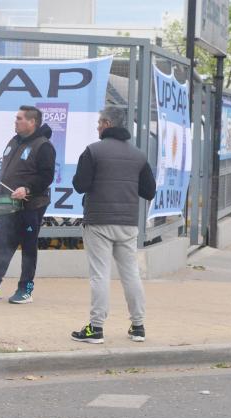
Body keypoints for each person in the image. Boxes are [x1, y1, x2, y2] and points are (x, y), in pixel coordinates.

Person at [70, 106, 156, 344]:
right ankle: (138, 326)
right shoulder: (138, 155)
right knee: (131, 274)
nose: (97, 127)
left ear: (107, 124)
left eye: (99, 122)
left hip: (98, 221)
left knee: (99, 275)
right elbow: (149, 191)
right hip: (128, 223)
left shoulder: (93, 151)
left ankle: (96, 328)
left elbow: (80, 184)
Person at [0, 106, 56, 304]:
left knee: (28, 247)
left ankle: (26, 289)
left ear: (32, 122)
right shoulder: (14, 141)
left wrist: (27, 189)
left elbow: (46, 176)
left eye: (19, 118)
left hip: (30, 205)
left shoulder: (43, 146)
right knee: (0, 242)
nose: (15, 121)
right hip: (8, 204)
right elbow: (9, 172)